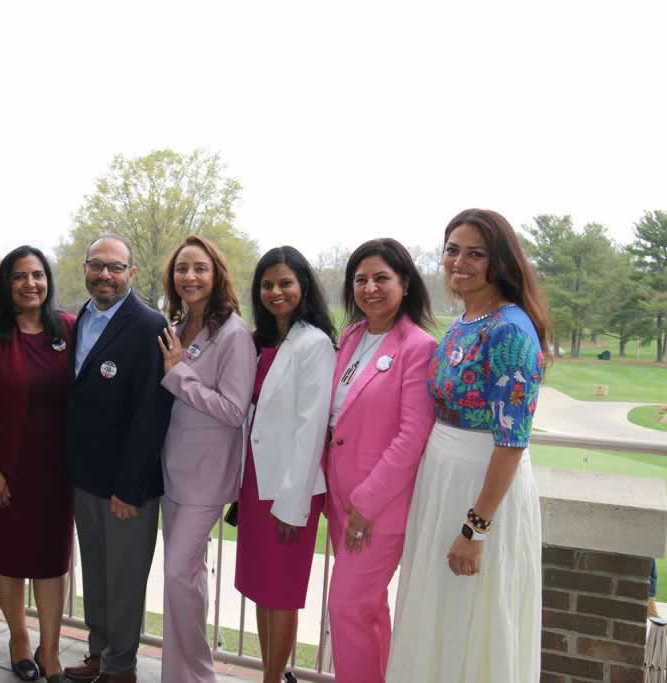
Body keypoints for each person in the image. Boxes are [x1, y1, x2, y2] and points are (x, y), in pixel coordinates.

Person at [387, 209, 550, 683]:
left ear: (499, 261)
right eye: (452, 250)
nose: (459, 262)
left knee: (473, 618)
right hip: (442, 481)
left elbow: (512, 442)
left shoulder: (510, 330)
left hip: (480, 490)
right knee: (437, 613)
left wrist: (474, 530)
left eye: (475, 253)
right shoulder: (463, 321)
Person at [0, 246, 75, 683]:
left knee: (51, 560)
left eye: (38, 275)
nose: (30, 284)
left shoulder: (68, 328)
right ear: (6, 285)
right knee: (7, 557)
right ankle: (19, 639)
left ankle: (51, 648)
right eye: (20, 276)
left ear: (48, 281)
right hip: (2, 468)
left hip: (56, 472)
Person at [322, 239, 437, 683]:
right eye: (361, 279)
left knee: (348, 606)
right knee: (366, 609)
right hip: (340, 498)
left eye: (381, 278)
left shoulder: (418, 347)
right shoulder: (352, 337)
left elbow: (412, 436)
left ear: (404, 284)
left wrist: (366, 504)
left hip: (377, 507)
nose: (370, 288)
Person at [62, 235, 173, 683]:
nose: (105, 274)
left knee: (125, 582)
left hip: (128, 488)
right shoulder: (81, 319)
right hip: (86, 478)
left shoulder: (149, 326)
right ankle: (99, 654)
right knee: (96, 576)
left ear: (132, 273)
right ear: (85, 269)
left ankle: (120, 667)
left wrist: (129, 487)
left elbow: (152, 413)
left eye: (115, 267)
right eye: (97, 265)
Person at [156, 236, 257, 683]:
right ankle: (177, 674)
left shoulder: (233, 334)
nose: (190, 277)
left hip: (206, 476)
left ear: (216, 275)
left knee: (179, 573)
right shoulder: (177, 328)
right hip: (172, 469)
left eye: (200, 268)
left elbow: (234, 410)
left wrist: (180, 374)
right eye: (182, 269)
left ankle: (198, 675)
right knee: (185, 577)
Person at [235, 246, 337, 683]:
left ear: (303, 286)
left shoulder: (314, 344)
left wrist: (293, 506)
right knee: (262, 590)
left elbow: (311, 428)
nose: (276, 292)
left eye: (285, 283)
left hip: (289, 489)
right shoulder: (260, 343)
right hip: (255, 482)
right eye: (267, 284)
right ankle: (271, 675)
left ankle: (272, 678)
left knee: (282, 593)